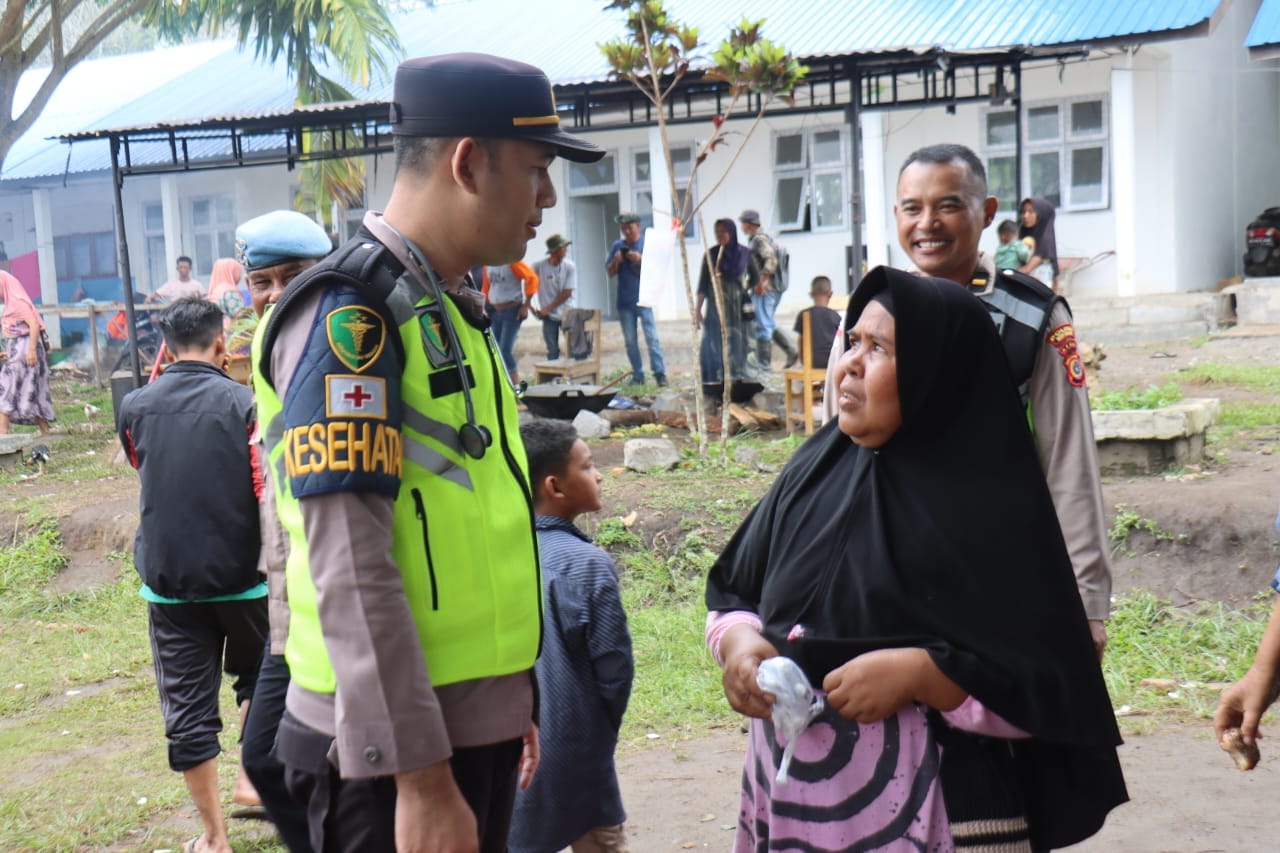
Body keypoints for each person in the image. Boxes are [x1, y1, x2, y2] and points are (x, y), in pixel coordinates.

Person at [253, 52, 605, 852]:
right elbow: (349, 558)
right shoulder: (352, 317)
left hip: (458, 725)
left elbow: (464, 519)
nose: (549, 199)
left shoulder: (444, 305)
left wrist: (507, 698)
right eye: (537, 170)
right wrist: (418, 772)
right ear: (468, 163)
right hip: (386, 755)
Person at [707, 266, 1126, 851]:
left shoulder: (992, 512)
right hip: (792, 810)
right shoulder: (812, 472)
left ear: (938, 372)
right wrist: (738, 644)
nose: (850, 364)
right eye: (853, 342)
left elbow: (1051, 687)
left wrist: (928, 677)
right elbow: (735, 592)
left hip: (937, 817)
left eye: (879, 348)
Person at [822, 143, 1112, 658]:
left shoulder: (1032, 319)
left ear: (987, 212)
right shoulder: (866, 313)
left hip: (993, 574)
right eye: (912, 208)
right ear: (896, 215)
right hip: (880, 569)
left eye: (948, 206)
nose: (927, 224)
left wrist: (1086, 603)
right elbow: (832, 449)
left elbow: (1069, 465)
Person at [117, 297, 267, 853]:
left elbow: (141, 463)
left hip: (171, 582)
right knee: (260, 675)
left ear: (165, 346)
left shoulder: (135, 405)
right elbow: (261, 482)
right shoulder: (246, 404)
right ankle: (251, 779)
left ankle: (214, 838)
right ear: (222, 343)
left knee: (187, 710)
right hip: (246, 575)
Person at [234, 208, 335, 853]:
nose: (275, 295)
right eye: (261, 282)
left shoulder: (341, 349)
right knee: (264, 757)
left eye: (292, 277)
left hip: (334, 595)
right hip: (287, 598)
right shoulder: (265, 350)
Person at [508, 420, 633, 853]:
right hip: (578, 754)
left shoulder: (500, 556)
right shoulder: (588, 564)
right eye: (588, 466)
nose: (599, 476)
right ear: (555, 486)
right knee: (598, 840)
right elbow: (614, 671)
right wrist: (600, 733)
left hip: (511, 754)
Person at [695, 217, 755, 397]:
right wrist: (697, 310)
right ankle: (714, 387)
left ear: (732, 232)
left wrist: (745, 291)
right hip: (716, 309)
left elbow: (756, 278)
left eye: (724, 231)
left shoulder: (745, 254)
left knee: (738, 345)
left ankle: (737, 385)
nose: (720, 235)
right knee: (714, 346)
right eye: (717, 232)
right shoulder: (711, 255)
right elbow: (702, 284)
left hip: (737, 311)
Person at [606, 213, 667, 387]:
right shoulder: (617, 246)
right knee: (630, 342)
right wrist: (616, 261)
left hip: (645, 299)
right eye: (623, 228)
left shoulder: (647, 244)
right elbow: (610, 272)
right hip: (625, 302)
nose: (626, 231)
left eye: (629, 228)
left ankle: (660, 374)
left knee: (652, 338)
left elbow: (658, 269)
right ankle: (638, 375)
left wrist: (641, 259)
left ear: (638, 225)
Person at [739, 209, 797, 370]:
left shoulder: (759, 239)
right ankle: (791, 350)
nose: (741, 226)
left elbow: (771, 260)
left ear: (749, 224)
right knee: (767, 322)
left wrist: (760, 282)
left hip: (765, 289)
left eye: (743, 223)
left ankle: (764, 366)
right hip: (767, 289)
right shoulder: (759, 238)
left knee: (763, 325)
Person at [0, 269, 54, 435]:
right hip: (20, 351)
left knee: (6, 387)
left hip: (27, 351)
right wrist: (9, 352)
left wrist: (30, 351)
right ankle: (45, 431)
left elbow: (33, 324)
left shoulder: (17, 302)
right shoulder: (10, 304)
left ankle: (2, 432)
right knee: (33, 389)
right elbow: (17, 331)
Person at [480, 260, 539, 384]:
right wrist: (483, 307)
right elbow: (486, 287)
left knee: (505, 350)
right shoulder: (488, 265)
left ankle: (515, 386)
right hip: (495, 311)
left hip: (512, 310)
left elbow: (532, 278)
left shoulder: (512, 262)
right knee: (495, 349)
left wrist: (526, 305)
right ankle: (503, 383)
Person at [531, 234, 577, 360]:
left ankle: (572, 372)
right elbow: (528, 284)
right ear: (556, 250)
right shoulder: (538, 266)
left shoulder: (569, 266)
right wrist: (532, 307)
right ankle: (553, 372)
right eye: (564, 247)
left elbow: (567, 292)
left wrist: (548, 308)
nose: (566, 250)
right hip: (548, 316)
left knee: (573, 348)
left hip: (567, 311)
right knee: (552, 350)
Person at [792, 274, 841, 368]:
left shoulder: (803, 314)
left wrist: (803, 362)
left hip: (811, 363)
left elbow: (800, 341)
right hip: (832, 362)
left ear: (811, 294)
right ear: (830, 294)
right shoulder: (836, 316)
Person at [1018, 197, 1059, 291]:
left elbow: (1027, 269)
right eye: (1023, 212)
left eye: (1031, 211)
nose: (1025, 216)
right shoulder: (1022, 233)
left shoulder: (1045, 239)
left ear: (1041, 215)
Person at [206, 257, 247, 322]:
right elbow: (241, 316)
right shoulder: (230, 291)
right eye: (237, 272)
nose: (240, 276)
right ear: (231, 272)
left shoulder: (216, 290)